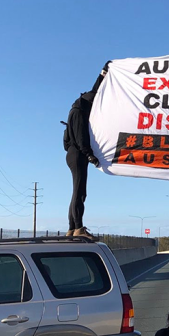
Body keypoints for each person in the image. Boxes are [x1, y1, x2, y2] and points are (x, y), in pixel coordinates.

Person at [63, 64, 107, 238]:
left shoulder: (78, 106)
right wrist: (89, 154)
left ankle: (72, 228)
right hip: (78, 154)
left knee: (77, 191)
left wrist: (103, 74)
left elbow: (95, 90)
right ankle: (78, 228)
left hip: (73, 153)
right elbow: (81, 137)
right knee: (79, 192)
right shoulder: (80, 113)